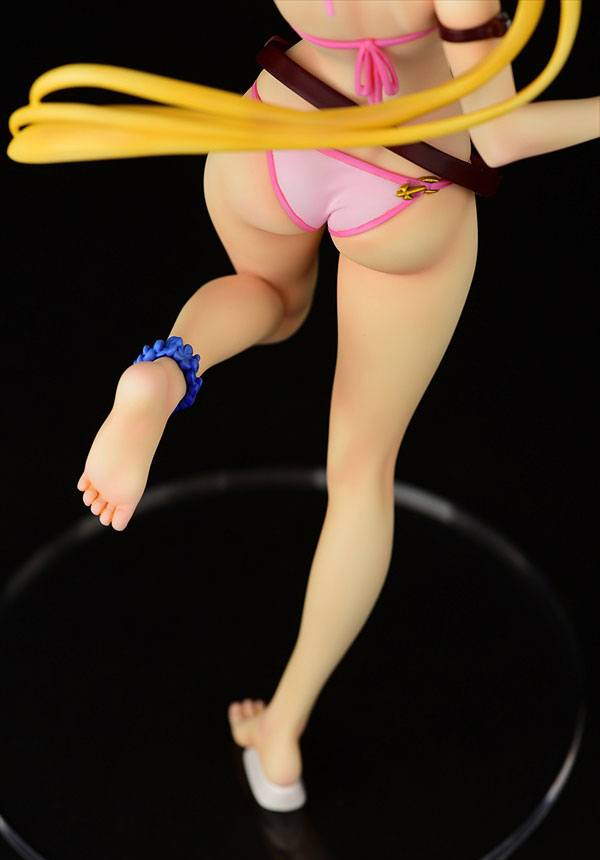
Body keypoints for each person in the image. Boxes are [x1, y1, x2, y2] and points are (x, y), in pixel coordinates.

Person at [7, 0, 599, 811]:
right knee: (360, 474)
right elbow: (499, 134)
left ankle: (167, 371)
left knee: (268, 296)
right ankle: (281, 732)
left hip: (276, 128)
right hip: (408, 176)